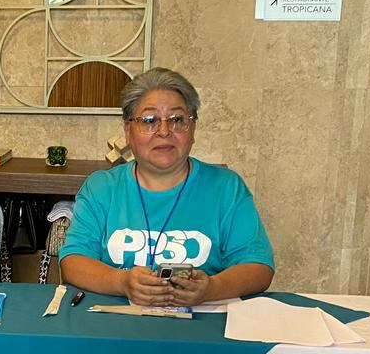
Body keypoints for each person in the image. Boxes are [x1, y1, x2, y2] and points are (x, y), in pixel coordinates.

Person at [59, 67, 274, 306]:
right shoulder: (101, 188)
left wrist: (211, 288)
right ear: (128, 131)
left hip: (201, 327)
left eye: (177, 120)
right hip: (114, 328)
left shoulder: (226, 187)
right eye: (149, 121)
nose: (164, 131)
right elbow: (73, 261)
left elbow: (258, 267)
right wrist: (121, 282)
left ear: (192, 129)